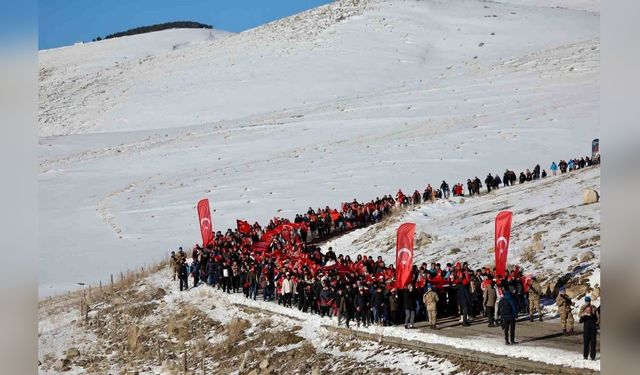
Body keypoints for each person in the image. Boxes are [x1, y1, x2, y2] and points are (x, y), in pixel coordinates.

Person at [579, 296, 599, 360]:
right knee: (586, 343)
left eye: (588, 301)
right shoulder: (582, 307)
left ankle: (593, 356)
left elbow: (597, 317)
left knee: (593, 344)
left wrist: (597, 323)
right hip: (586, 328)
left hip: (593, 328)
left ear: (590, 301)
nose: (587, 302)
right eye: (586, 301)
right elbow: (580, 317)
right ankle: (585, 356)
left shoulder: (594, 307)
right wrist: (584, 314)